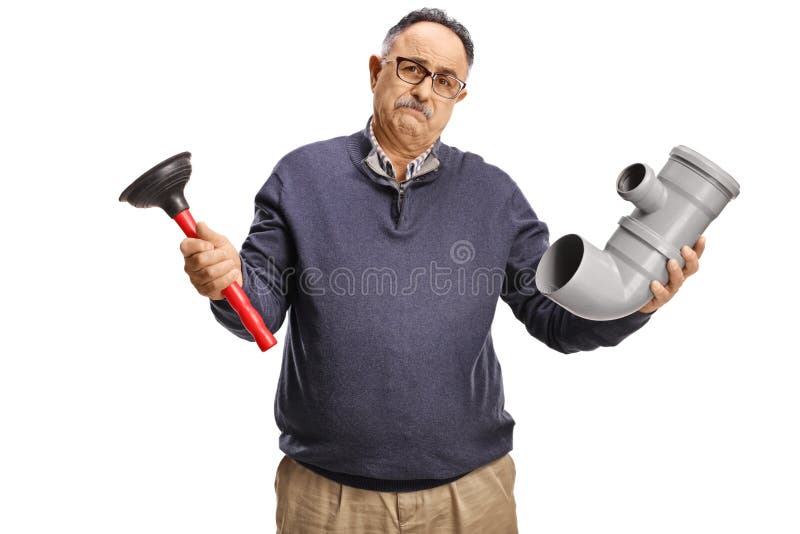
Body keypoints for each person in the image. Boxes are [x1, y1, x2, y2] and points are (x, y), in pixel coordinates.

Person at [179, 8, 704, 533]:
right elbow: (259, 312)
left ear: (459, 96)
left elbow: (556, 322)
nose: (424, 91)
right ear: (374, 72)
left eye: (445, 80)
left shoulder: (493, 194)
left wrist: (638, 302)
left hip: (471, 496)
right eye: (411, 68)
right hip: (327, 498)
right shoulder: (301, 176)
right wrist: (225, 281)